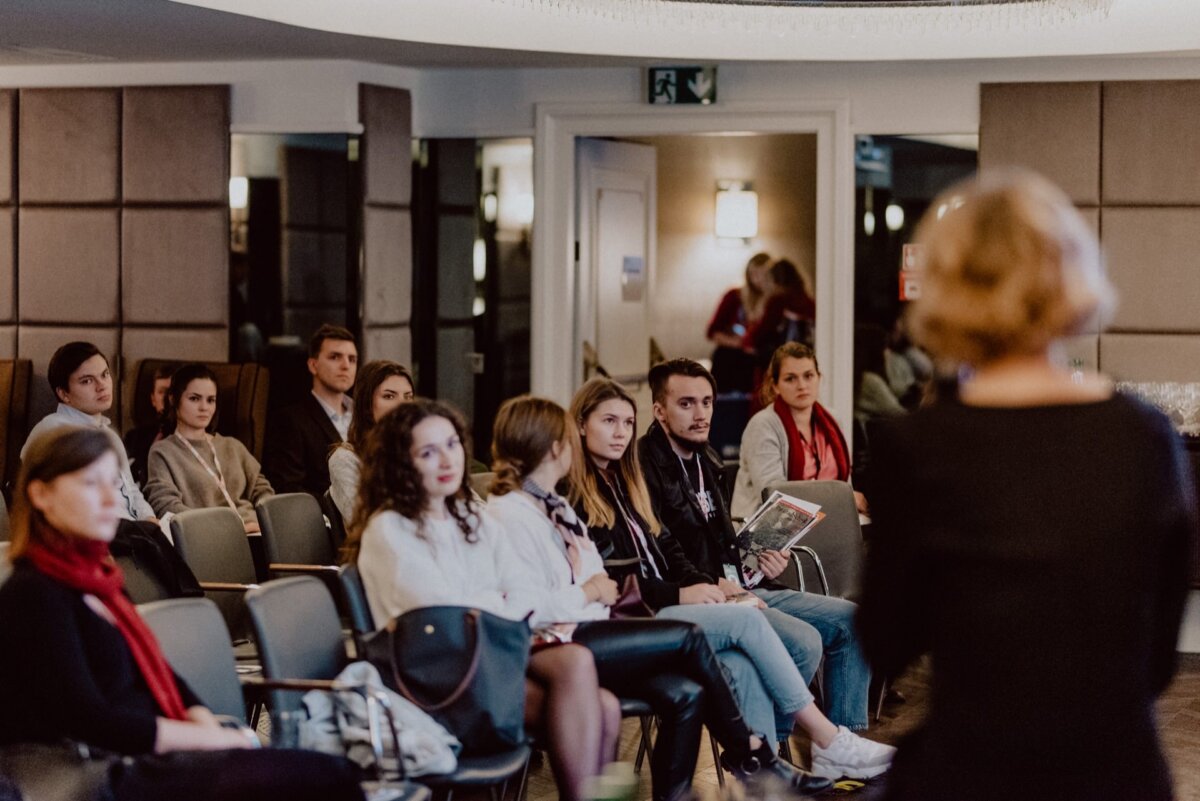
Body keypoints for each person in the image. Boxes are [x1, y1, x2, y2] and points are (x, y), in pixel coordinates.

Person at [858, 170, 1194, 801]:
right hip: (1118, 775)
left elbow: (886, 640)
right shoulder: (1145, 436)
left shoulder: (914, 446)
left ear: (947, 286)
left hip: (971, 772)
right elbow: (1155, 657)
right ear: (1070, 275)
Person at [485, 395, 834, 799]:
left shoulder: (554, 505)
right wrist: (587, 593)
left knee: (686, 693)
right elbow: (529, 607)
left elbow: (598, 574)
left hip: (590, 623)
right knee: (690, 637)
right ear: (555, 447)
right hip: (555, 642)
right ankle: (753, 755)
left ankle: (693, 789)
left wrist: (592, 589)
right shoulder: (509, 514)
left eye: (627, 422)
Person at [0, 426, 364, 801]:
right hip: (96, 770)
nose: (112, 499)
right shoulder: (34, 593)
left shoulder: (99, 581)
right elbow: (89, 720)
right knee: (322, 776)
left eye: (114, 482)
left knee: (319, 771)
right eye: (92, 484)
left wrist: (204, 722)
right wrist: (206, 738)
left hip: (140, 751)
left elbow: (156, 669)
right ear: (41, 494)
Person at [572, 378, 892, 782]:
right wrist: (690, 589)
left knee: (747, 657)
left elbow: (669, 548)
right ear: (581, 425)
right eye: (609, 421)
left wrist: (741, 571)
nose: (620, 432)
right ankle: (826, 741)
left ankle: (766, 777)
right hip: (636, 614)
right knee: (758, 627)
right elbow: (615, 577)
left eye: (625, 423)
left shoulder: (634, 478)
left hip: (708, 590)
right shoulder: (587, 491)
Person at [346, 400, 619, 801]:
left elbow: (520, 594)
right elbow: (445, 614)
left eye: (453, 444)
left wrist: (492, 603)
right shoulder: (390, 529)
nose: (447, 459)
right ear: (401, 463)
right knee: (578, 667)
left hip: (483, 654)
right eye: (428, 452)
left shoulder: (469, 516)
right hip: (431, 675)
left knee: (607, 705)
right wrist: (497, 602)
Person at [639, 361, 883, 755]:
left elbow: (720, 545)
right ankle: (764, 751)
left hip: (740, 586)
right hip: (704, 598)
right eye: (686, 403)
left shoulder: (706, 459)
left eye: (706, 402)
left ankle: (838, 745)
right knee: (803, 643)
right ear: (659, 411)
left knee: (852, 622)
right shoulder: (645, 467)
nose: (701, 414)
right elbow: (662, 547)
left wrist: (757, 562)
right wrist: (713, 583)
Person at [22, 341, 155, 523]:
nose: (102, 386)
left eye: (105, 374)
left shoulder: (108, 433)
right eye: (87, 381)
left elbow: (130, 490)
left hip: (130, 531)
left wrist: (149, 518)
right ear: (63, 394)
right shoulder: (52, 432)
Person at [732, 343, 869, 519]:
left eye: (808, 376)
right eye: (790, 379)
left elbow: (843, 482)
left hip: (827, 520)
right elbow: (773, 495)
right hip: (773, 528)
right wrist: (843, 498)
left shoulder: (833, 420)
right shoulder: (762, 425)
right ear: (775, 386)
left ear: (819, 378)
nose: (802, 385)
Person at [144, 363, 274, 533]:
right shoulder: (163, 452)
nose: (204, 407)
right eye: (194, 398)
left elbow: (263, 491)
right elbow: (168, 507)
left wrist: (267, 522)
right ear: (173, 399)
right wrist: (231, 528)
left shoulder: (232, 445)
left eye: (210, 400)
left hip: (258, 532)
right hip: (210, 539)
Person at [264, 324, 358, 497]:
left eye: (352, 359)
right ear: (313, 365)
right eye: (335, 357)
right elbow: (289, 488)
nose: (346, 366)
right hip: (326, 519)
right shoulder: (289, 420)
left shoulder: (363, 415)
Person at [328, 360, 415, 525]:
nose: (402, 405)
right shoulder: (345, 459)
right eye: (389, 396)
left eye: (408, 397)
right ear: (367, 406)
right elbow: (369, 522)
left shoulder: (423, 453)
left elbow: (475, 505)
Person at [707, 252, 771, 394]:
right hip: (732, 360)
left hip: (761, 362)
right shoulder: (735, 296)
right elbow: (712, 331)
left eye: (763, 275)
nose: (758, 280)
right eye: (754, 274)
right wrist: (740, 343)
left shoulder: (775, 302)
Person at [124, 362, 178, 487]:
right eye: (161, 392)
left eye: (171, 393)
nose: (167, 399)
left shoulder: (189, 437)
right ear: (153, 399)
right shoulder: (135, 438)